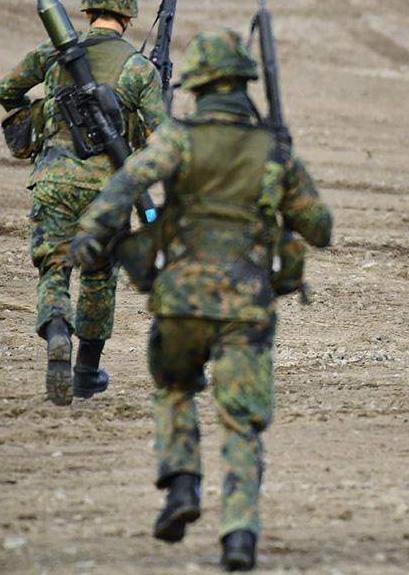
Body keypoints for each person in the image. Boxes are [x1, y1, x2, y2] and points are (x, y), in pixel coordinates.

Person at [71, 29, 333, 570]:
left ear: (200, 87)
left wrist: (92, 234)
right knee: (241, 422)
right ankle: (239, 535)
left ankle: (182, 485)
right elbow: (320, 227)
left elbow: (128, 180)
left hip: (181, 299)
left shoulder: (180, 138)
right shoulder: (272, 148)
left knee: (173, 389)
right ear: (243, 84)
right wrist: (281, 168)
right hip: (246, 307)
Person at [0, 0, 165, 405]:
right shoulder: (139, 69)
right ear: (128, 18)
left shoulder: (54, 52)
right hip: (108, 191)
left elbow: (4, 90)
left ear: (87, 13)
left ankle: (56, 335)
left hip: (53, 180)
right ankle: (87, 374)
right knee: (99, 276)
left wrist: (42, 113)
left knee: (55, 265)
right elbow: (164, 137)